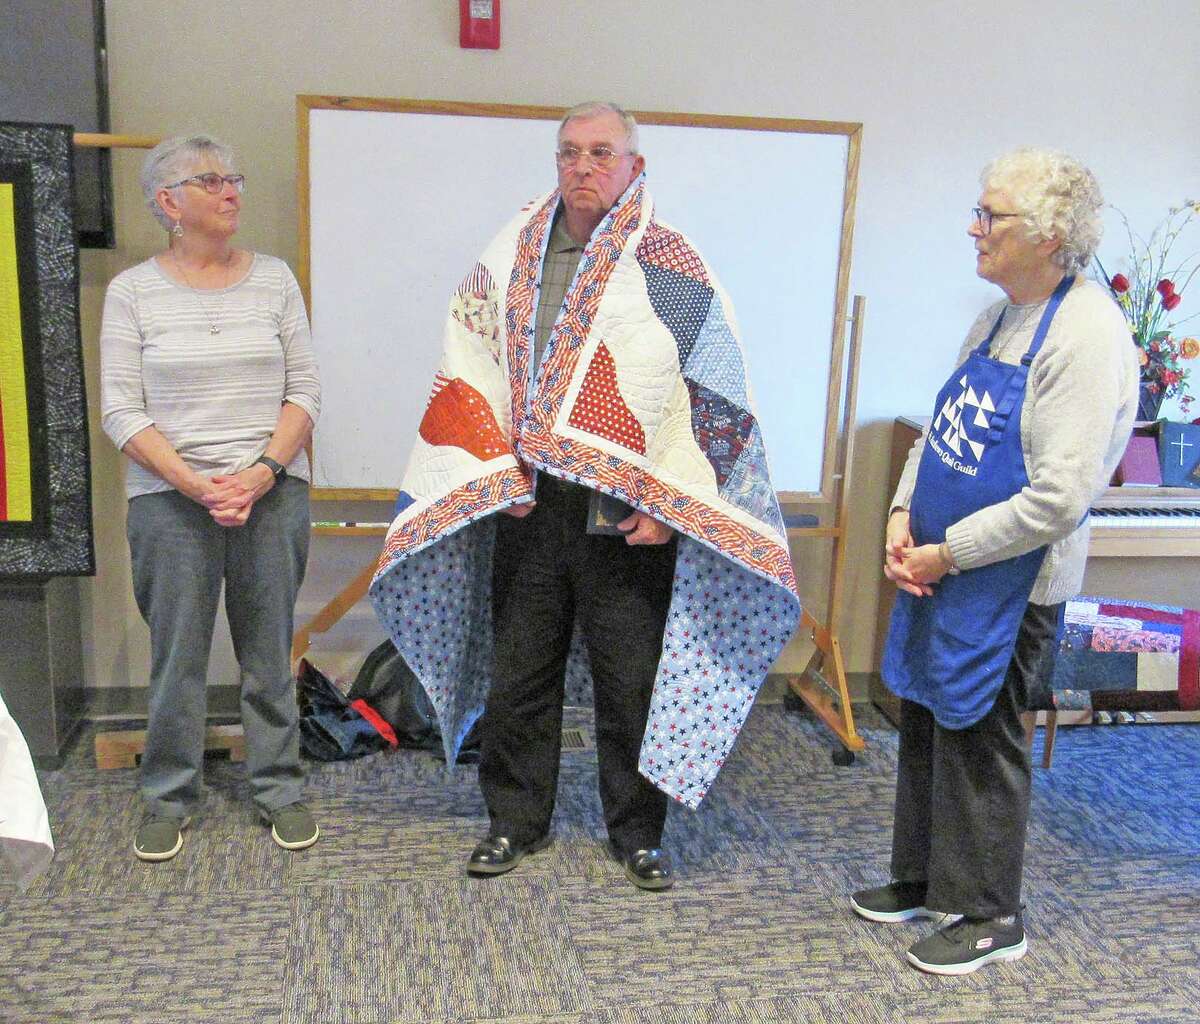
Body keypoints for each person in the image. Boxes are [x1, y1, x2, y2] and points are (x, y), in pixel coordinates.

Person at [370, 101, 799, 891]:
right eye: (570, 153)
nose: (583, 168)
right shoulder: (511, 252)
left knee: (627, 677)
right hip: (530, 503)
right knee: (519, 675)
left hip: (623, 510)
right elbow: (471, 358)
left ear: (637, 166)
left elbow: (702, 386)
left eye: (603, 153)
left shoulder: (670, 262)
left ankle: (637, 833)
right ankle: (513, 822)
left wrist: (669, 504)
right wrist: (490, 472)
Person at [852, 148, 1138, 973]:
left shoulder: (1086, 338)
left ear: (1049, 235)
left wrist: (949, 553)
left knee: (984, 739)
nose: (974, 229)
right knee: (930, 719)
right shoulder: (997, 316)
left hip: (1014, 584)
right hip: (944, 569)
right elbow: (942, 429)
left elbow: (1058, 500)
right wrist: (903, 515)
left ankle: (990, 915)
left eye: (992, 216)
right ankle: (922, 878)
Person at [100, 134, 322, 862]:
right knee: (178, 659)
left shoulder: (275, 279)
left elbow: (304, 392)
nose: (231, 190)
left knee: (267, 653)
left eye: (234, 176)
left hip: (270, 494)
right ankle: (168, 797)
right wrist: (195, 484)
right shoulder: (132, 292)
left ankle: (280, 789)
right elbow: (121, 411)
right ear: (169, 203)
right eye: (210, 180)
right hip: (169, 503)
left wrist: (259, 473)